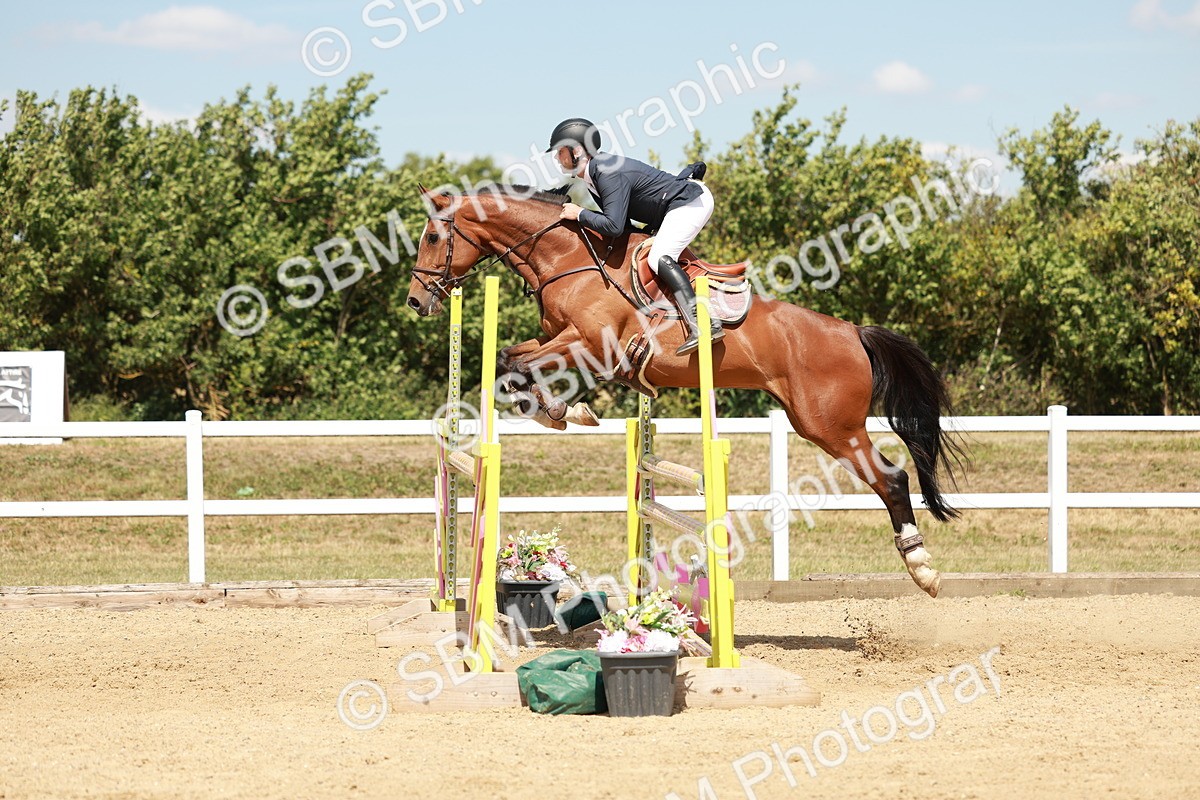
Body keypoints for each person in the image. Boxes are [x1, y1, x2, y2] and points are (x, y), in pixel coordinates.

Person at [546, 117, 723, 356]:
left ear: (577, 151)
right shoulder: (591, 177)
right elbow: (625, 228)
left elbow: (614, 226)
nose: (558, 158)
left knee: (659, 257)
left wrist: (580, 214)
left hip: (690, 202)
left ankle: (703, 323)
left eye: (560, 152)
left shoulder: (606, 171)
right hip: (669, 208)